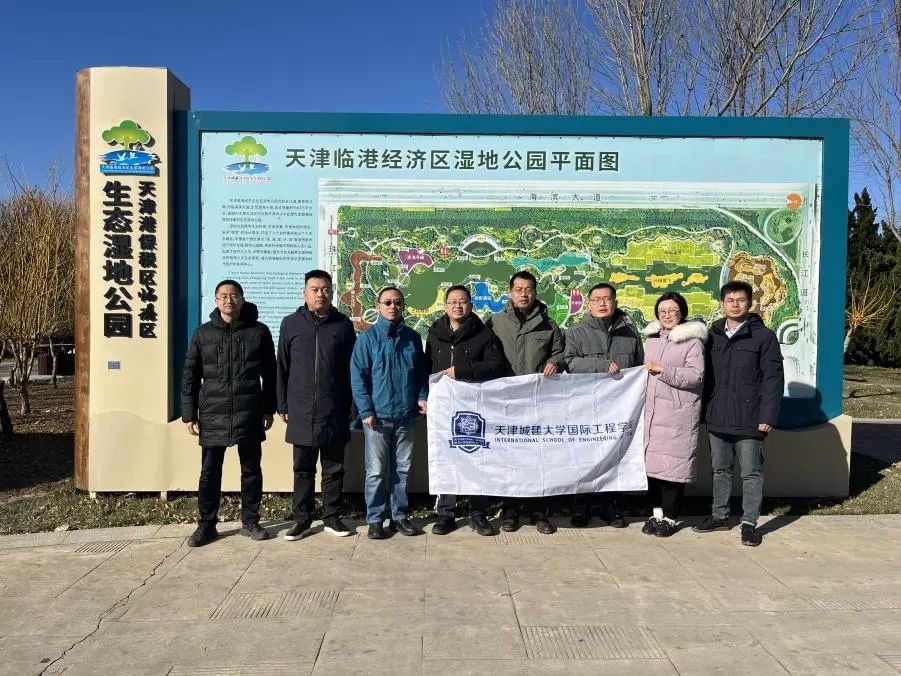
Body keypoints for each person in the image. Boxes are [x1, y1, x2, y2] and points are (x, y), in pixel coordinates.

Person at [181, 280, 276, 547]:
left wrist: (269, 408)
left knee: (251, 470)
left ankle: (250, 521)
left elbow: (270, 373)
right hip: (213, 412)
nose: (228, 300)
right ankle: (206, 525)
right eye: (223, 296)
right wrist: (189, 413)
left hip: (249, 411)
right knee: (209, 472)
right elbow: (190, 375)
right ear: (216, 301)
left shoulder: (258, 332)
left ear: (242, 300)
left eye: (234, 296)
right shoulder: (203, 334)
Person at [693, 281, 784, 547]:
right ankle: (719, 516)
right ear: (722, 304)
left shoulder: (763, 337)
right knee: (720, 469)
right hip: (718, 416)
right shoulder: (712, 336)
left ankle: (749, 524)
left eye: (741, 300)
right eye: (730, 300)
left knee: (751, 473)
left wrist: (768, 416)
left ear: (750, 303)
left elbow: (773, 380)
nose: (735, 304)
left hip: (750, 417)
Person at [277, 270, 356, 541]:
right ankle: (302, 519)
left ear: (332, 293)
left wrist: (352, 404)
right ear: (305, 293)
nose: (320, 294)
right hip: (300, 409)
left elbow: (352, 368)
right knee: (303, 469)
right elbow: (282, 366)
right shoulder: (290, 324)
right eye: (315, 289)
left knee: (334, 468)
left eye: (325, 289)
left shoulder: (342, 325)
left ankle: (332, 516)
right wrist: (282, 404)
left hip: (334, 407)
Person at [486, 270, 566, 535]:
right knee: (509, 456)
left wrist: (555, 362)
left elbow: (559, 353)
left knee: (537, 456)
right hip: (505, 401)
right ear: (510, 292)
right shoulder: (495, 322)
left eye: (528, 289)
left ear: (535, 292)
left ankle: (538, 511)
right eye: (518, 289)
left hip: (537, 402)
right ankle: (510, 510)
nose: (524, 294)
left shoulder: (548, 325)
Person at [425, 284, 506, 536]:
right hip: (445, 409)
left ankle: (478, 514)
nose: (457, 306)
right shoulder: (435, 334)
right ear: (445, 306)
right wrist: (423, 396)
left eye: (462, 302)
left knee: (477, 458)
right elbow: (426, 367)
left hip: (474, 408)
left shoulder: (484, 334)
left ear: (470, 306)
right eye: (453, 302)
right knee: (446, 457)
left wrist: (462, 370)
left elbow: (496, 365)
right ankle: (446, 514)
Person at [563, 282, 644, 528]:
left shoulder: (630, 334)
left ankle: (610, 507)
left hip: (619, 410)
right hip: (585, 408)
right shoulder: (575, 333)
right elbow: (570, 363)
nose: (602, 303)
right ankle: (581, 507)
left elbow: (639, 367)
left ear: (615, 302)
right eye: (596, 299)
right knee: (583, 458)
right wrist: (601, 365)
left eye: (607, 299)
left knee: (614, 457)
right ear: (589, 304)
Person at [351, 287, 429, 540]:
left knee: (403, 470)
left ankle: (399, 516)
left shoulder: (412, 338)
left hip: (406, 417)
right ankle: (375, 519)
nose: (392, 307)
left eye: (397, 302)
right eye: (387, 302)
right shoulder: (367, 339)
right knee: (375, 472)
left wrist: (422, 396)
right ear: (378, 306)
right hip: (377, 418)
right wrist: (365, 410)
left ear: (403, 306)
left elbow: (421, 374)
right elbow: (358, 378)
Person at [641, 292, 707, 538]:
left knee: (673, 470)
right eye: (663, 311)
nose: (667, 315)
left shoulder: (692, 342)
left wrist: (663, 370)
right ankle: (656, 514)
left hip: (677, 416)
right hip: (651, 415)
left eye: (673, 311)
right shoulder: (651, 340)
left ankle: (670, 517)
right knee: (653, 470)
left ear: (682, 313)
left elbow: (696, 376)